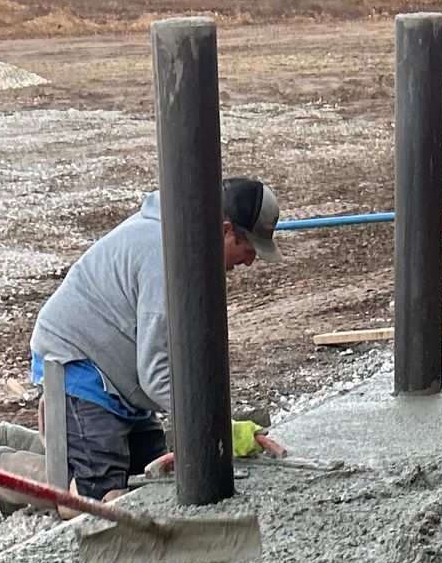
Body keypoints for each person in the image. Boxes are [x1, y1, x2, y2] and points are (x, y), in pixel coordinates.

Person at [31, 179, 288, 500]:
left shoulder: (187, 248)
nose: (249, 261)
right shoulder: (166, 260)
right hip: (79, 364)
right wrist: (218, 427)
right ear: (224, 230)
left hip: (120, 378)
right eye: (248, 249)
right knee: (101, 498)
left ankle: (55, 446)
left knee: (149, 480)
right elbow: (156, 374)